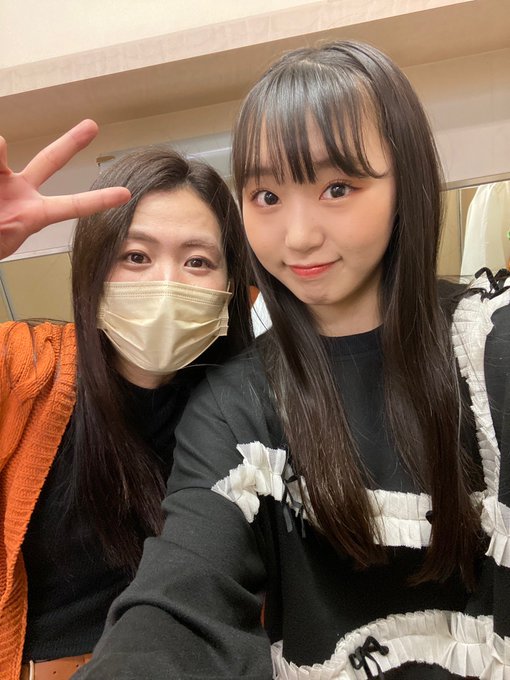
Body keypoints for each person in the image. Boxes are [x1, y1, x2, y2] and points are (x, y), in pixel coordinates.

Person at [77, 41, 510, 679]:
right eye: (267, 197)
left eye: (337, 188)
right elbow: (182, 592)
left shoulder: (492, 344)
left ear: (407, 184)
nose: (299, 237)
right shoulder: (234, 403)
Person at [0, 120, 252, 680]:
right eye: (136, 256)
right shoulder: (25, 366)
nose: (167, 283)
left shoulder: (249, 407)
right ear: (94, 271)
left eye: (198, 261)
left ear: (231, 287)